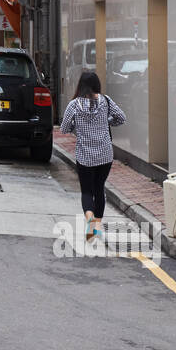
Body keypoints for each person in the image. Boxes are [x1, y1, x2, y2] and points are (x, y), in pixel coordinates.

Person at [59, 71, 126, 241]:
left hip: (85, 156)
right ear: (97, 85)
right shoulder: (106, 101)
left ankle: (89, 219)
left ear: (80, 85)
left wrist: (77, 126)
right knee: (99, 189)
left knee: (87, 191)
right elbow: (121, 118)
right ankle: (95, 227)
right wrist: (106, 121)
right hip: (105, 154)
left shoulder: (74, 105)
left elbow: (64, 128)